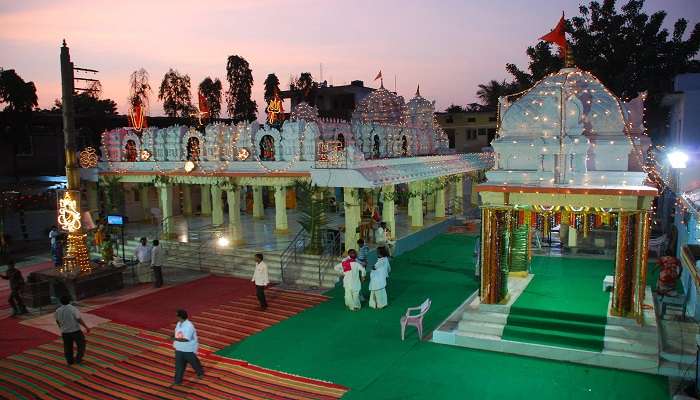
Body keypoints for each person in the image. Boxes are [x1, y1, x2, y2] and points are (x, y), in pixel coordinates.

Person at [171, 309, 204, 385]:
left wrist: (174, 339)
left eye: (176, 315)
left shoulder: (189, 326)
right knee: (179, 366)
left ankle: (200, 373)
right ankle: (177, 381)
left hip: (188, 349)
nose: (175, 317)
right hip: (179, 348)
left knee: (194, 363)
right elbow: (177, 332)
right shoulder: (179, 323)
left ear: (180, 317)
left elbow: (186, 339)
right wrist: (174, 336)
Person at [55, 295, 89, 365]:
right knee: (81, 345)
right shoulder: (73, 309)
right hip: (75, 331)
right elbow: (78, 319)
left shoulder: (58, 310)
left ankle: (69, 361)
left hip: (65, 332)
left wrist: (61, 328)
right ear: (69, 300)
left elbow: (57, 321)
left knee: (67, 347)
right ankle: (78, 359)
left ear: (60, 302)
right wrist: (86, 327)